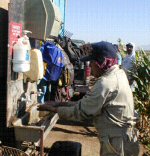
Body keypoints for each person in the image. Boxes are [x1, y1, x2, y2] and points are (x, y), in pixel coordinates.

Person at [37, 41, 140, 156]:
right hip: (124, 140)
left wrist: (53, 109)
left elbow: (81, 112)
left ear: (101, 63)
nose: (90, 66)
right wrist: (59, 104)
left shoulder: (106, 83)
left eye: (92, 62)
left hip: (117, 145)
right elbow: (86, 104)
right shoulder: (119, 74)